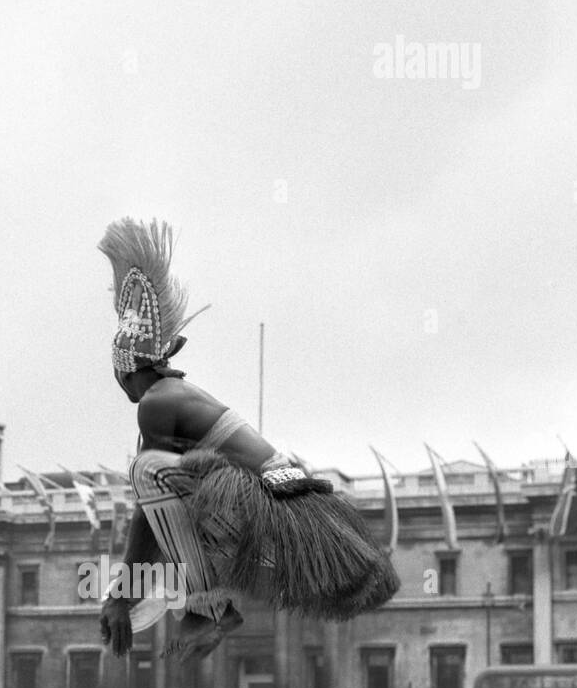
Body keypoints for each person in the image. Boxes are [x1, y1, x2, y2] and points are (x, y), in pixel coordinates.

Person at [96, 218, 398, 662]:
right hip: (279, 510)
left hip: (270, 510)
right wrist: (126, 590)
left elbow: (149, 503)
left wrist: (122, 595)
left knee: (146, 470)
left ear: (124, 370)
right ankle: (191, 597)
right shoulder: (175, 395)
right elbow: (159, 515)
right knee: (160, 493)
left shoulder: (157, 402)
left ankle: (208, 608)